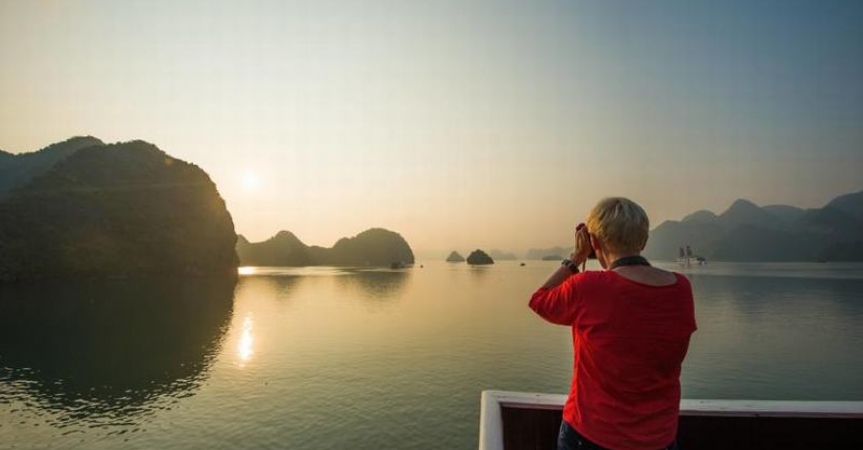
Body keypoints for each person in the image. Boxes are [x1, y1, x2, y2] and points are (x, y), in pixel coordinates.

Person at [529, 197, 696, 450]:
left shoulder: (588, 287)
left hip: (590, 435)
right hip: (658, 439)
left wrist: (576, 258)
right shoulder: (681, 288)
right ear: (643, 241)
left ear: (594, 243)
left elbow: (539, 301)